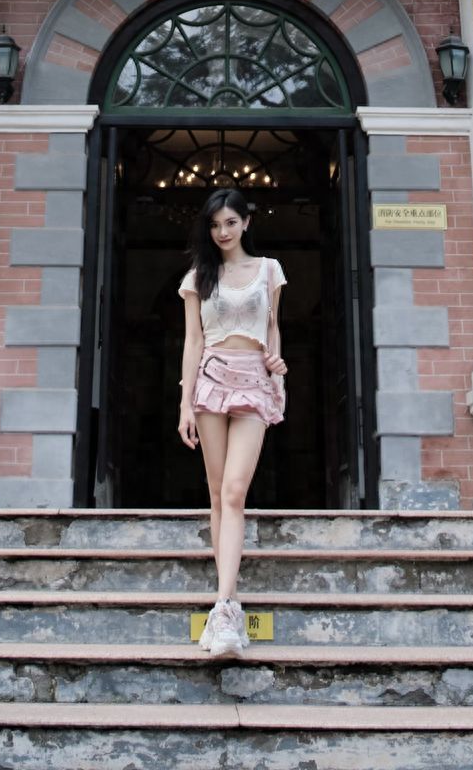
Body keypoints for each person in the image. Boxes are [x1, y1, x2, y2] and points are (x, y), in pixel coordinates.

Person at [177, 186, 286, 661]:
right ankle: (226, 602)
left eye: (230, 223)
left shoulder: (269, 270)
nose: (222, 232)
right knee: (219, 492)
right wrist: (184, 404)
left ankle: (225, 605)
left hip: (255, 381)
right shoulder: (199, 277)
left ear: (246, 223)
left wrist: (278, 363)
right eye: (215, 224)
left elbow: (273, 326)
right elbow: (193, 341)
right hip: (210, 380)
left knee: (237, 490)